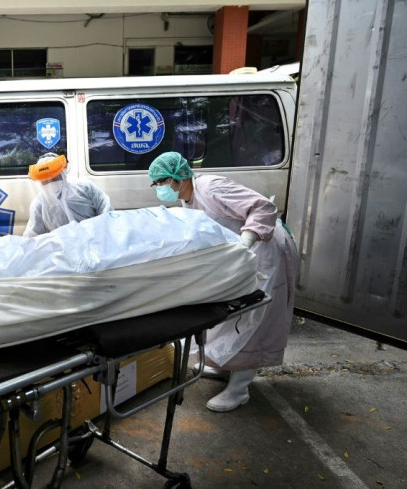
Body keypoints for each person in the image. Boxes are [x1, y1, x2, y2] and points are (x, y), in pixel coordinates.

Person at [148, 151, 298, 412]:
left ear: (177, 177)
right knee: (229, 317)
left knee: (253, 319)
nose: (160, 189)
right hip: (240, 258)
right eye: (157, 185)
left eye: (161, 182)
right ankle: (227, 365)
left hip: (265, 251)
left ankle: (239, 390)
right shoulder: (189, 201)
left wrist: (247, 241)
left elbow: (264, 207)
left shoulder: (211, 187)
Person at [23, 152, 113, 236]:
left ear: (63, 173)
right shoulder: (39, 205)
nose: (50, 183)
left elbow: (106, 211)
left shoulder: (84, 188)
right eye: (45, 181)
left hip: (93, 243)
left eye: (55, 178)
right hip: (63, 250)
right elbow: (32, 236)